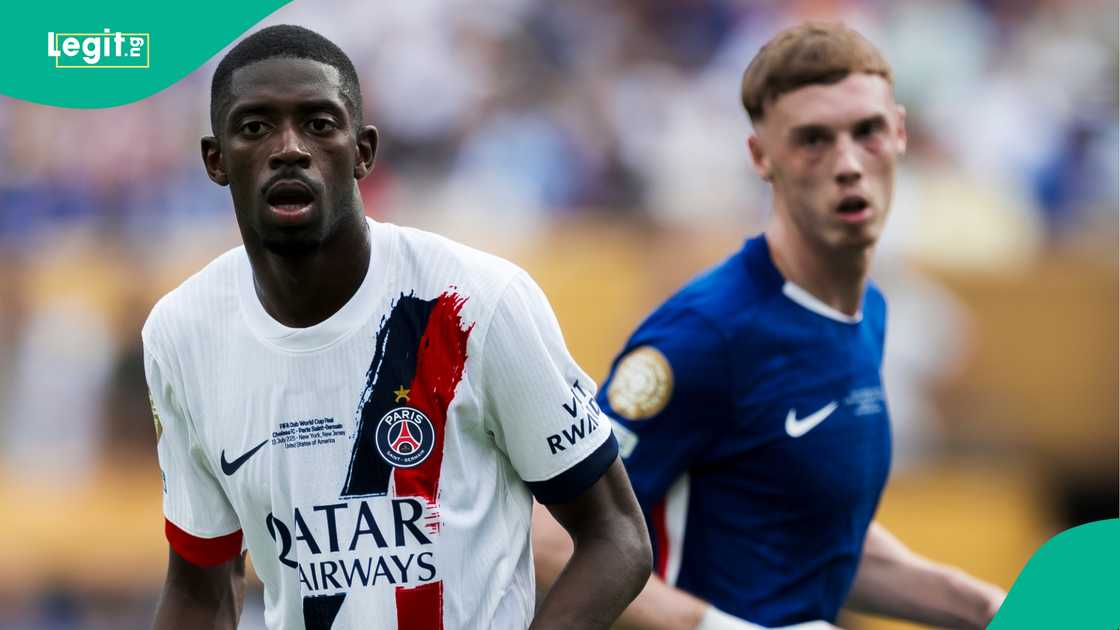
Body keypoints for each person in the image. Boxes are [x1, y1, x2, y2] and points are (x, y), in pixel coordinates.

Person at [144, 25, 650, 630]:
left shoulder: (479, 301)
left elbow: (616, 535)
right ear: (215, 160)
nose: (289, 148)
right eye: (255, 127)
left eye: (319, 124)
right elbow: (201, 585)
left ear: (363, 152)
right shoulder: (183, 332)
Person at [533, 22, 1006, 630]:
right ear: (762, 157)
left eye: (868, 132)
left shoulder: (871, 315)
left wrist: (988, 608)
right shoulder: (705, 335)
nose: (848, 164)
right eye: (813, 139)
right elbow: (552, 537)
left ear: (900, 133)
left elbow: (817, 535)